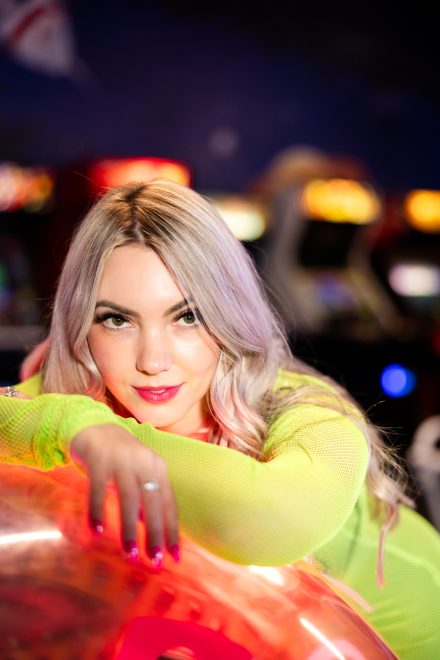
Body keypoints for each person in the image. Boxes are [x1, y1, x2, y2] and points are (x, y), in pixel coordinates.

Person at [1, 179, 439, 658]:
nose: (153, 359)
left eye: (187, 316)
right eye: (117, 320)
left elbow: (272, 517)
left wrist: (110, 434)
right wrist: (78, 425)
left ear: (228, 313)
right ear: (82, 326)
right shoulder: (82, 392)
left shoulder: (306, 410)